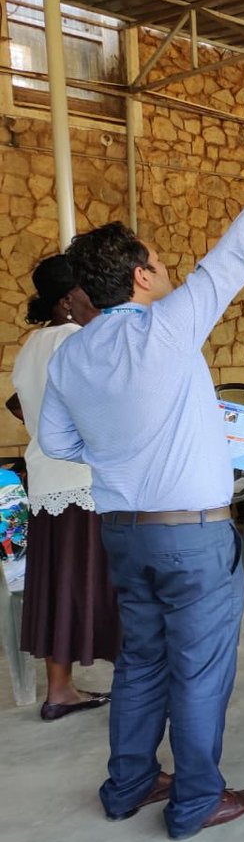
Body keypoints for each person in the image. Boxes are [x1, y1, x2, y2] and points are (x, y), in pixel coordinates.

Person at [38, 112, 244, 839]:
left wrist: (122, 449)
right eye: (157, 263)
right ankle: (195, 800)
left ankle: (128, 785)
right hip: (191, 536)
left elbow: (56, 440)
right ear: (139, 275)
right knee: (199, 669)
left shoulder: (71, 354)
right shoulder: (168, 326)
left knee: (142, 662)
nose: (167, 271)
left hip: (122, 533)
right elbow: (235, 254)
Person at [10, 256, 118, 721]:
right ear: (69, 298)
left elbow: (17, 403)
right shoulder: (80, 340)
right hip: (85, 481)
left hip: (45, 482)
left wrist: (43, 429)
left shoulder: (31, 345)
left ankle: (60, 690)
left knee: (59, 583)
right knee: (105, 584)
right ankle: (135, 687)